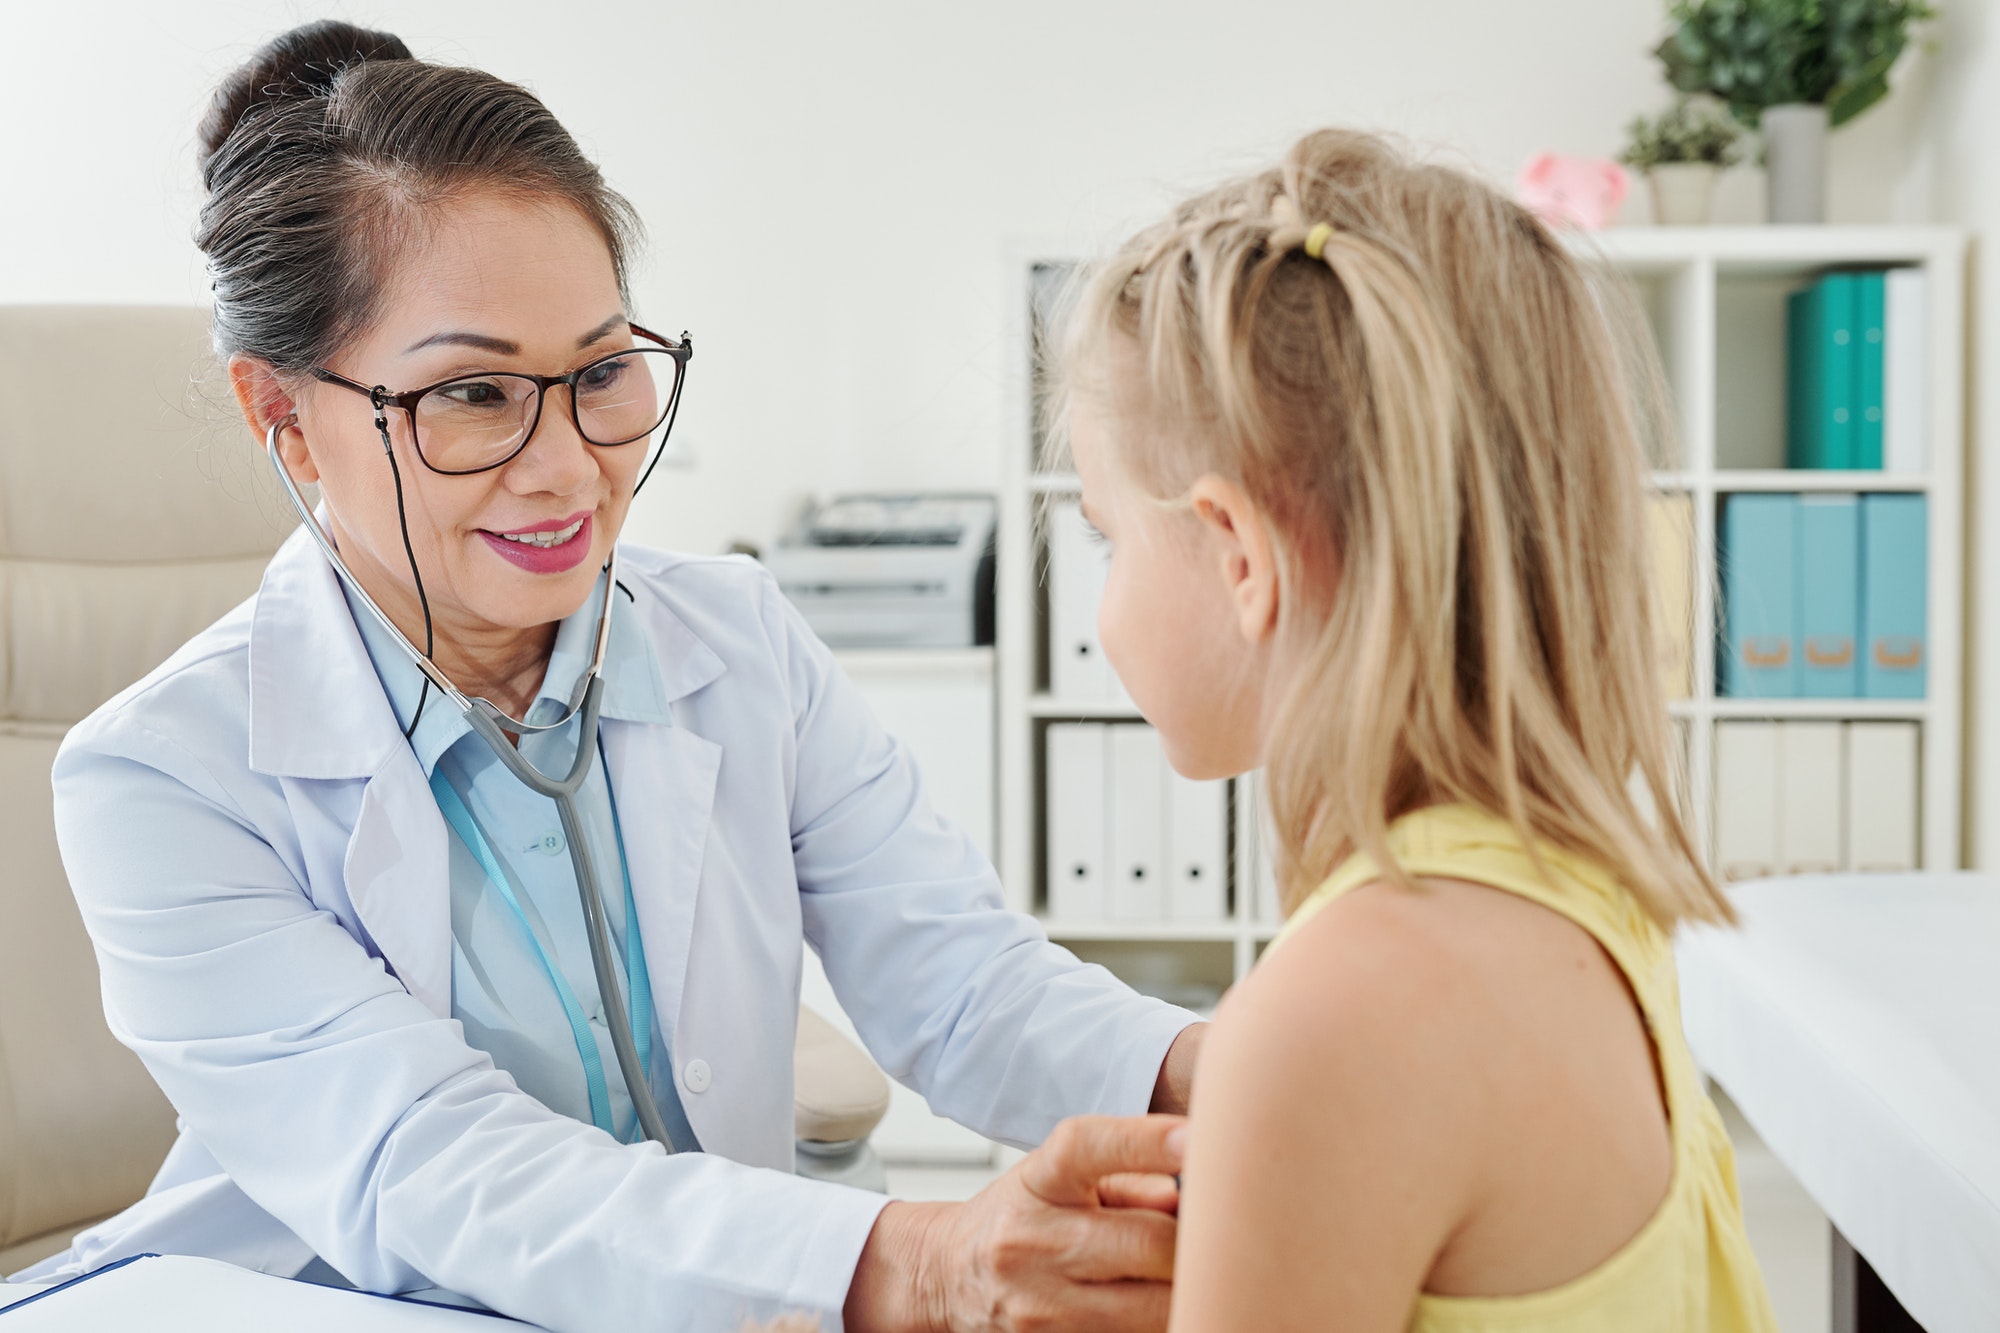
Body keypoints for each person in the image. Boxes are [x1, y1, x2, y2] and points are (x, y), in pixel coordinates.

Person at [14, 21, 1203, 1332]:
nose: (568, 466)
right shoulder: (160, 774)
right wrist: (913, 1261)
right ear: (283, 419)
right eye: (471, 395)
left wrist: (1232, 1081)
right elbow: (431, 1165)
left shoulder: (736, 644)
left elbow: (964, 981)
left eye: (600, 373)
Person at [1048, 129, 1779, 1331]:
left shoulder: (1335, 1013)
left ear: (1237, 552)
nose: (1102, 596)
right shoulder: (1577, 899)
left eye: (1103, 536)